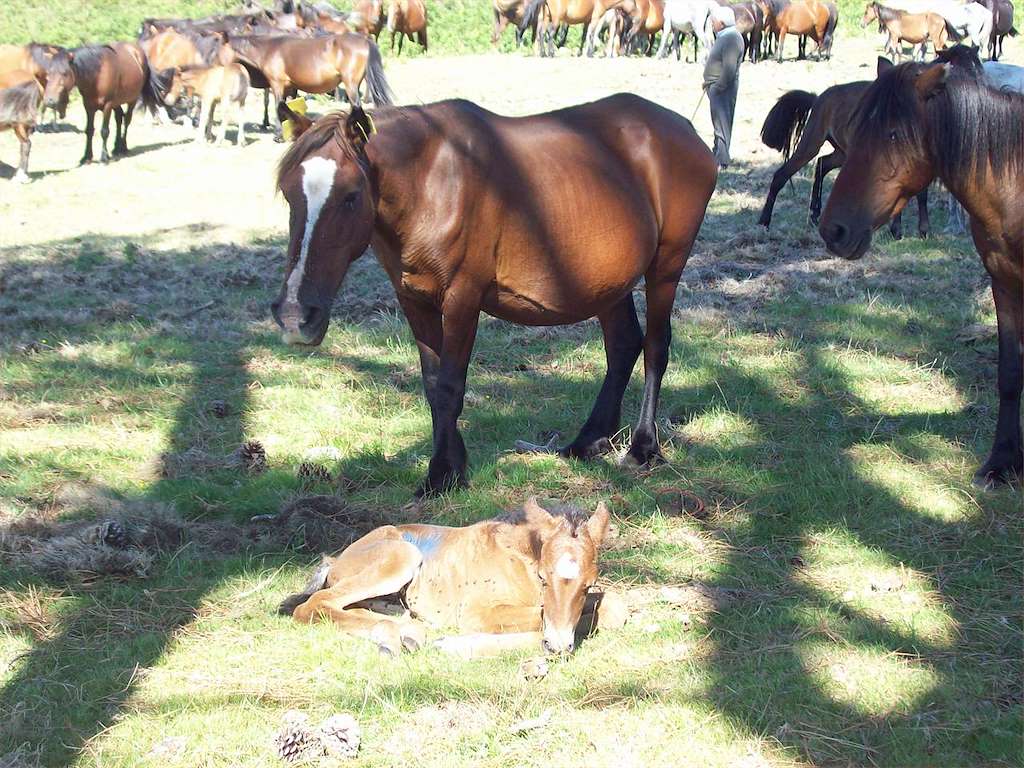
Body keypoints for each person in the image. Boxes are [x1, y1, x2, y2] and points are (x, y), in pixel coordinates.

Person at [702, 6, 745, 168]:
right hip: (717, 87)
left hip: (722, 89)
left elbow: (729, 68)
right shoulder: (726, 37)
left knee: (722, 123)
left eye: (713, 22)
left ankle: (722, 159)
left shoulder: (731, 39)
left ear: (721, 23)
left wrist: (717, 87)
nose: (712, 24)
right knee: (718, 122)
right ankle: (717, 153)